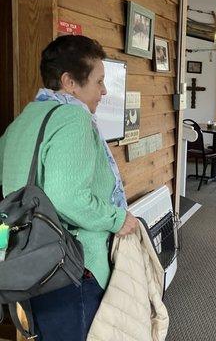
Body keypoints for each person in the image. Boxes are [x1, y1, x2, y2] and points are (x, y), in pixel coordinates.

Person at [0, 35, 138, 340]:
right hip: (71, 266)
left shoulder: (21, 122)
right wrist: (118, 219)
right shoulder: (73, 117)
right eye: (99, 81)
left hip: (28, 261)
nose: (104, 90)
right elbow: (68, 199)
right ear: (69, 82)